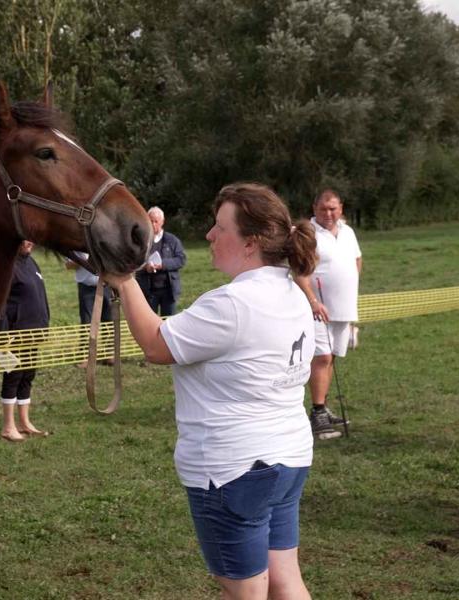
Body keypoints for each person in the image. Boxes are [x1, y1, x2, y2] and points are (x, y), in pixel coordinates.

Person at [104, 182, 316, 600]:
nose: (210, 236)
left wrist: (123, 280)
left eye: (221, 228)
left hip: (233, 470)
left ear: (251, 242)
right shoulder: (293, 293)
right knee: (286, 581)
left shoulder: (231, 304)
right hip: (288, 458)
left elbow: (156, 344)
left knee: (247, 594)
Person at [295, 189, 362, 441]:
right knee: (321, 356)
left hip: (343, 307)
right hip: (316, 309)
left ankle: (322, 405)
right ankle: (317, 411)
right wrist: (313, 301)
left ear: (341, 208)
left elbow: (357, 260)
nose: (328, 213)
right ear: (315, 208)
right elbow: (299, 272)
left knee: (331, 356)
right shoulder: (308, 233)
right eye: (323, 208)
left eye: (333, 208)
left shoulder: (348, 232)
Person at [0, 240, 50, 443]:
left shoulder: (32, 263)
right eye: (24, 238)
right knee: (13, 377)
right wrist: (4, 335)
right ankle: (8, 426)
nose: (29, 243)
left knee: (27, 376)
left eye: (31, 239)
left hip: (35, 332)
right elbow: (0, 303)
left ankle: (25, 422)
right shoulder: (8, 266)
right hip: (14, 335)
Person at [135, 206, 186, 316]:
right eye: (150, 221)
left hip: (168, 290)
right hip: (148, 291)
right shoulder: (141, 241)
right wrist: (145, 267)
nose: (153, 224)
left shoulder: (172, 240)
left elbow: (181, 259)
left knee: (168, 322)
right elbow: (134, 262)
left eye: (156, 221)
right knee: (148, 322)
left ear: (162, 222)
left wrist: (163, 264)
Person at [65, 251, 113, 367]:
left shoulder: (102, 241)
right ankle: (86, 357)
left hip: (106, 285)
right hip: (86, 288)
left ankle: (109, 354)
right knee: (87, 322)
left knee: (108, 321)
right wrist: (85, 262)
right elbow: (68, 265)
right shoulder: (75, 246)